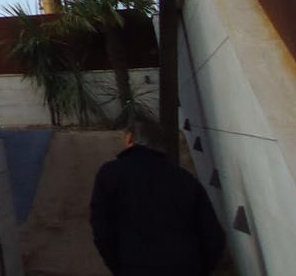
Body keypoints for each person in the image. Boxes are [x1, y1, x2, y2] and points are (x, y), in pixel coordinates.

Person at [89, 116, 227, 275]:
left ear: (130, 139)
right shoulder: (184, 179)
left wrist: (119, 267)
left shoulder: (110, 174)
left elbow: (102, 230)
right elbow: (214, 236)